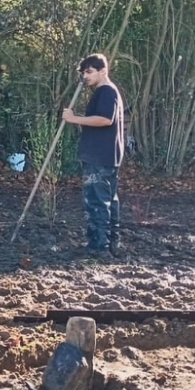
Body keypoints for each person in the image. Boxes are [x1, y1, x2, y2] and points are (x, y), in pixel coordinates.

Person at [63, 53, 124, 256]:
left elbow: (105, 120)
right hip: (106, 156)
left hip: (99, 156)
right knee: (109, 200)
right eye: (83, 73)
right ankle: (112, 243)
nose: (85, 77)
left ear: (103, 71)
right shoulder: (107, 92)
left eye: (89, 72)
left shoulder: (106, 91)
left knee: (97, 200)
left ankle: (99, 246)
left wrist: (74, 119)